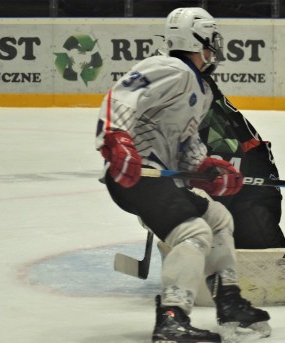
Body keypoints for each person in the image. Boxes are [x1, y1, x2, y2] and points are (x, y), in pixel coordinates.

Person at [95, 7, 271, 343]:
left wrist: (203, 168)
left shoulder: (200, 88)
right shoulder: (167, 67)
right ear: (199, 39)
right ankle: (172, 320)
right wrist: (117, 140)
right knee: (193, 233)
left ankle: (229, 302)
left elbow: (186, 140)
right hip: (136, 176)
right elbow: (120, 96)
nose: (215, 46)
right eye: (212, 39)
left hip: (159, 177)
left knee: (218, 218)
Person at [198, 74, 285, 249]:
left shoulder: (201, 105)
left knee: (260, 249)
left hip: (250, 189)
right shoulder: (190, 92)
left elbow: (230, 157)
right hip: (240, 179)